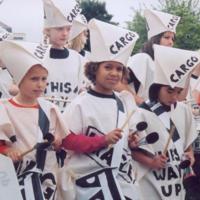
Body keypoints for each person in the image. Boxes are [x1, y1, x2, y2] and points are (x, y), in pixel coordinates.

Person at [60, 18, 142, 200]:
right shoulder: (81, 103)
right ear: (94, 70)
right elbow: (67, 140)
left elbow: (123, 141)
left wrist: (130, 141)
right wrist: (102, 140)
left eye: (119, 69)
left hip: (121, 179)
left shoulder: (124, 102)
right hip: (90, 184)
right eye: (108, 67)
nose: (114, 73)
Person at [0, 40, 68, 200]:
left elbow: (63, 141)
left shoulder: (50, 108)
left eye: (44, 79)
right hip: (15, 180)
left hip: (46, 180)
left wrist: (58, 145)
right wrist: (8, 151)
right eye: (34, 79)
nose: (40, 85)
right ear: (19, 80)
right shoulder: (3, 108)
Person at [132, 44, 199, 200]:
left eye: (178, 91)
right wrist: (150, 161)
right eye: (169, 91)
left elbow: (187, 144)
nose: (174, 97)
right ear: (157, 87)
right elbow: (133, 150)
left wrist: (190, 155)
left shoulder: (183, 110)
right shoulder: (141, 112)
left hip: (175, 181)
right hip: (150, 181)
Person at [115, 9, 181, 104]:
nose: (171, 42)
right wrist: (143, 104)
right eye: (166, 37)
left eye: (173, 39)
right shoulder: (142, 58)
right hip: (134, 113)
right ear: (155, 39)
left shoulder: (163, 65)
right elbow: (118, 84)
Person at [42, 0, 84, 112]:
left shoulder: (78, 59)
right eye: (60, 28)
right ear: (47, 30)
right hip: (42, 116)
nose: (65, 33)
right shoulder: (38, 56)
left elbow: (81, 90)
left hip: (70, 117)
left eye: (68, 29)